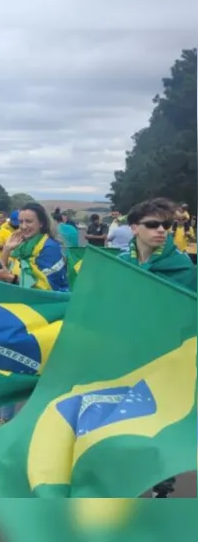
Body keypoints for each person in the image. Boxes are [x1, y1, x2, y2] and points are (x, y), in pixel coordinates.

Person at [119, 198, 196, 497]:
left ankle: (162, 488)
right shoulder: (121, 266)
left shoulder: (184, 268)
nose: (162, 230)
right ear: (134, 228)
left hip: (168, 362)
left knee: (163, 428)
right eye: (153, 224)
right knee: (126, 425)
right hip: (127, 359)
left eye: (167, 225)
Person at [0, 202, 69, 435]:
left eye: (30, 221)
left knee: (42, 372)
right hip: (21, 312)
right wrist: (7, 250)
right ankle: (5, 420)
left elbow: (47, 288)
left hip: (47, 316)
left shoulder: (49, 248)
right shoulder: (21, 245)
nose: (25, 226)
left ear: (42, 223)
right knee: (11, 362)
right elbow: (2, 278)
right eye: (22, 221)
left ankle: (41, 426)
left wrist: (12, 279)